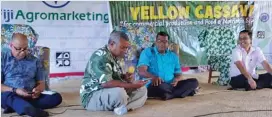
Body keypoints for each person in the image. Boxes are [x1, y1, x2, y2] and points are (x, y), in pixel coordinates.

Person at [80, 31, 147, 115]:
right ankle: (123, 105)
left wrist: (124, 77)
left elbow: (114, 77)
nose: (125, 51)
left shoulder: (116, 55)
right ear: (112, 44)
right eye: (123, 47)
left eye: (127, 48)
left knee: (142, 89)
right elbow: (107, 83)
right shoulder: (101, 57)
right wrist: (132, 85)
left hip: (110, 91)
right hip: (92, 96)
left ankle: (123, 107)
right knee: (120, 93)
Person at [1, 33, 62, 117]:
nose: (22, 52)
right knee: (5, 96)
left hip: (30, 96)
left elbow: (41, 84)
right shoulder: (3, 58)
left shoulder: (35, 61)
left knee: (56, 97)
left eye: (25, 49)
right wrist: (15, 90)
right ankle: (26, 107)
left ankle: (20, 106)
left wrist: (37, 91)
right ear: (11, 45)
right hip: (11, 93)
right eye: (18, 49)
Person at [137, 31, 199, 100]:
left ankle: (170, 95)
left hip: (171, 85)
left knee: (194, 82)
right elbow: (141, 71)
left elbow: (178, 74)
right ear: (156, 42)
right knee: (161, 86)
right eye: (159, 41)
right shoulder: (147, 52)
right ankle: (184, 92)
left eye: (165, 41)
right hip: (155, 85)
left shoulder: (173, 56)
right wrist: (153, 77)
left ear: (168, 43)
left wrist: (176, 79)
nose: (162, 44)